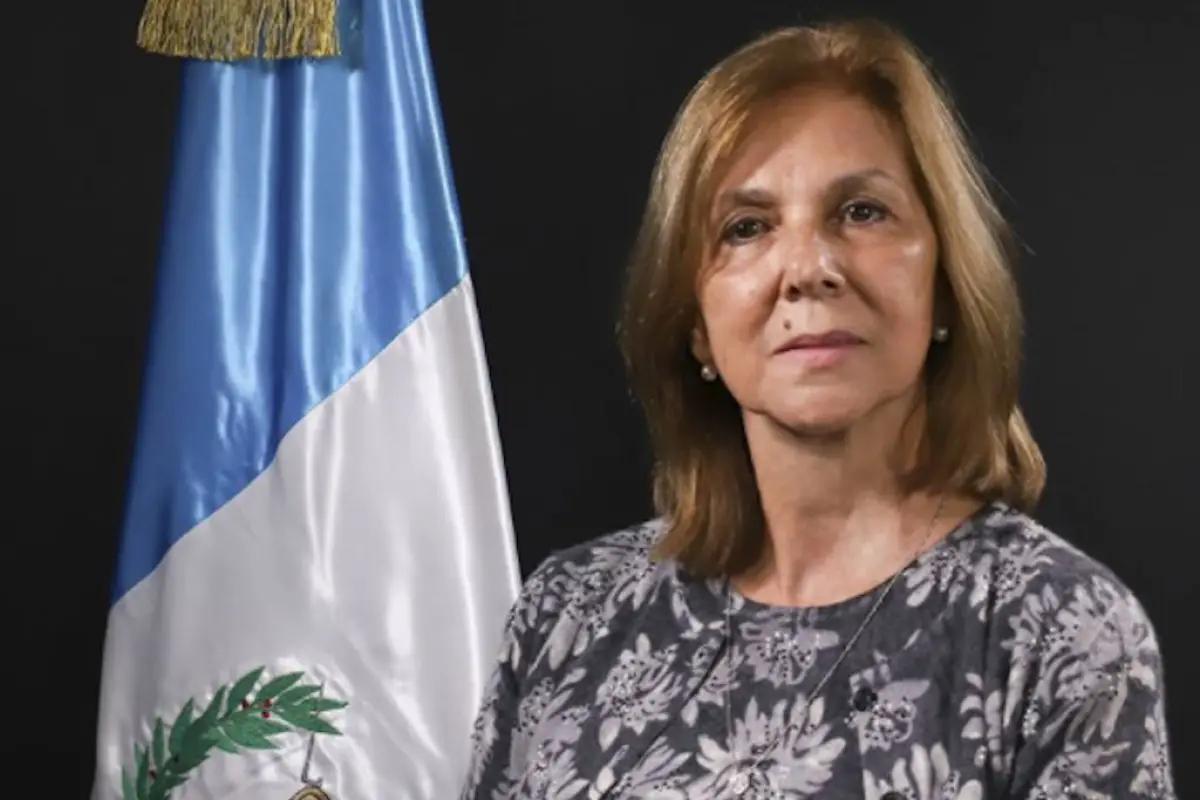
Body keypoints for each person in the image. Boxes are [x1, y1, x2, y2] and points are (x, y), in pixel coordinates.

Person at [460, 18, 1175, 800]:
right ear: (695, 323)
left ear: (943, 284)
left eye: (862, 211)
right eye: (747, 228)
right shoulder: (569, 616)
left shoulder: (1058, 631)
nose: (807, 268)